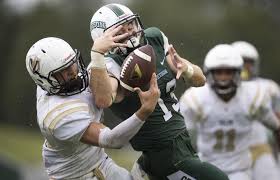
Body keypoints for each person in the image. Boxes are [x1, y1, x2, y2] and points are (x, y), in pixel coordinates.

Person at [89, 3, 229, 180]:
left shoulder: (153, 38)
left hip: (181, 143)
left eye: (130, 25)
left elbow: (201, 80)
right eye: (120, 30)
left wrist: (186, 69)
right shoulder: (108, 64)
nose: (130, 32)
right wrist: (97, 54)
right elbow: (104, 99)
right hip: (166, 154)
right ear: (103, 39)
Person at [25, 37, 160, 180]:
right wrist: (144, 111)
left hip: (98, 161)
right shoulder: (58, 115)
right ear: (46, 80)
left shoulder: (53, 83)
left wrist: (102, 51)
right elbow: (112, 140)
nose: (73, 71)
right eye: (64, 70)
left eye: (72, 63)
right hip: (81, 175)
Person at [179, 44, 280, 180]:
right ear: (210, 73)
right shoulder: (196, 99)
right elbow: (182, 139)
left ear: (238, 72)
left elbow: (276, 127)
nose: (223, 78)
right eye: (219, 72)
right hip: (207, 169)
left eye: (228, 72)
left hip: (240, 171)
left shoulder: (252, 96)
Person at [232, 41, 280, 180]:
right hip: (231, 152)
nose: (245, 66)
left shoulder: (268, 87)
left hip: (261, 147)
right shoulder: (218, 90)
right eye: (240, 61)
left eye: (248, 62)